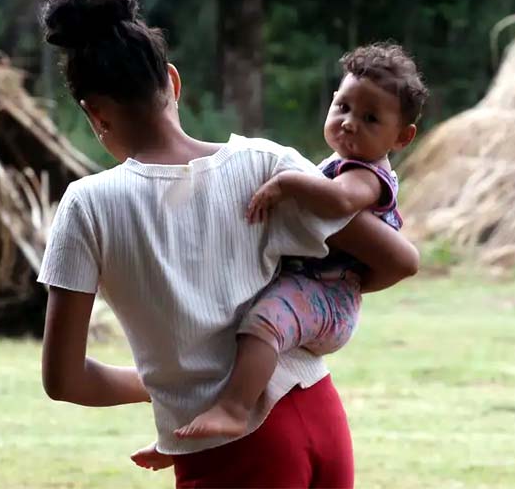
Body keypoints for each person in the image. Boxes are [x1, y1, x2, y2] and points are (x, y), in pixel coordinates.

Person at [37, 0, 419, 489]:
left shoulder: (87, 207)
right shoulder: (267, 164)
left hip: (229, 450)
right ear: (172, 80)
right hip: (319, 415)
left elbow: (65, 380)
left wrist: (167, 388)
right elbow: (398, 259)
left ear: (94, 113)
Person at [167, 43, 427, 445]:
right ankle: (191, 418)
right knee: (234, 329)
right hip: (315, 285)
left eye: (370, 118)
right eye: (342, 107)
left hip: (327, 295)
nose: (349, 123)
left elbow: (339, 202)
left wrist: (287, 182)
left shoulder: (367, 177)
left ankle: (234, 411)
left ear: (402, 137)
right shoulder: (338, 163)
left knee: (263, 324)